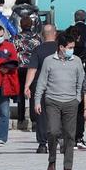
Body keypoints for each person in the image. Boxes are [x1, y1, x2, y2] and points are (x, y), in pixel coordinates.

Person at [35, 33, 85, 170]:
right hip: (52, 101)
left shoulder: (76, 61)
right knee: (53, 131)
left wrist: (77, 98)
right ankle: (52, 160)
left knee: (70, 135)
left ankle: (67, 167)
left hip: (71, 102)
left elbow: (81, 81)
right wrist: (37, 101)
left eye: (73, 47)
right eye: (69, 47)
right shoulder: (49, 61)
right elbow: (42, 82)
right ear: (61, 47)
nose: (72, 50)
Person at [24, 24, 59, 153]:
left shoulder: (38, 50)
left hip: (41, 85)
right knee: (59, 113)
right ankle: (59, 139)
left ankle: (43, 144)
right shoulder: (61, 49)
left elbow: (32, 69)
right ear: (55, 34)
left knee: (41, 114)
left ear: (42, 35)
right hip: (59, 86)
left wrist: (27, 86)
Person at [14, 17, 42, 131]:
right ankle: (34, 120)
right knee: (33, 92)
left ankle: (21, 117)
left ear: (21, 25)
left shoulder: (17, 37)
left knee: (21, 91)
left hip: (21, 67)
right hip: (33, 67)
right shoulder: (36, 37)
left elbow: (14, 50)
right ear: (32, 25)